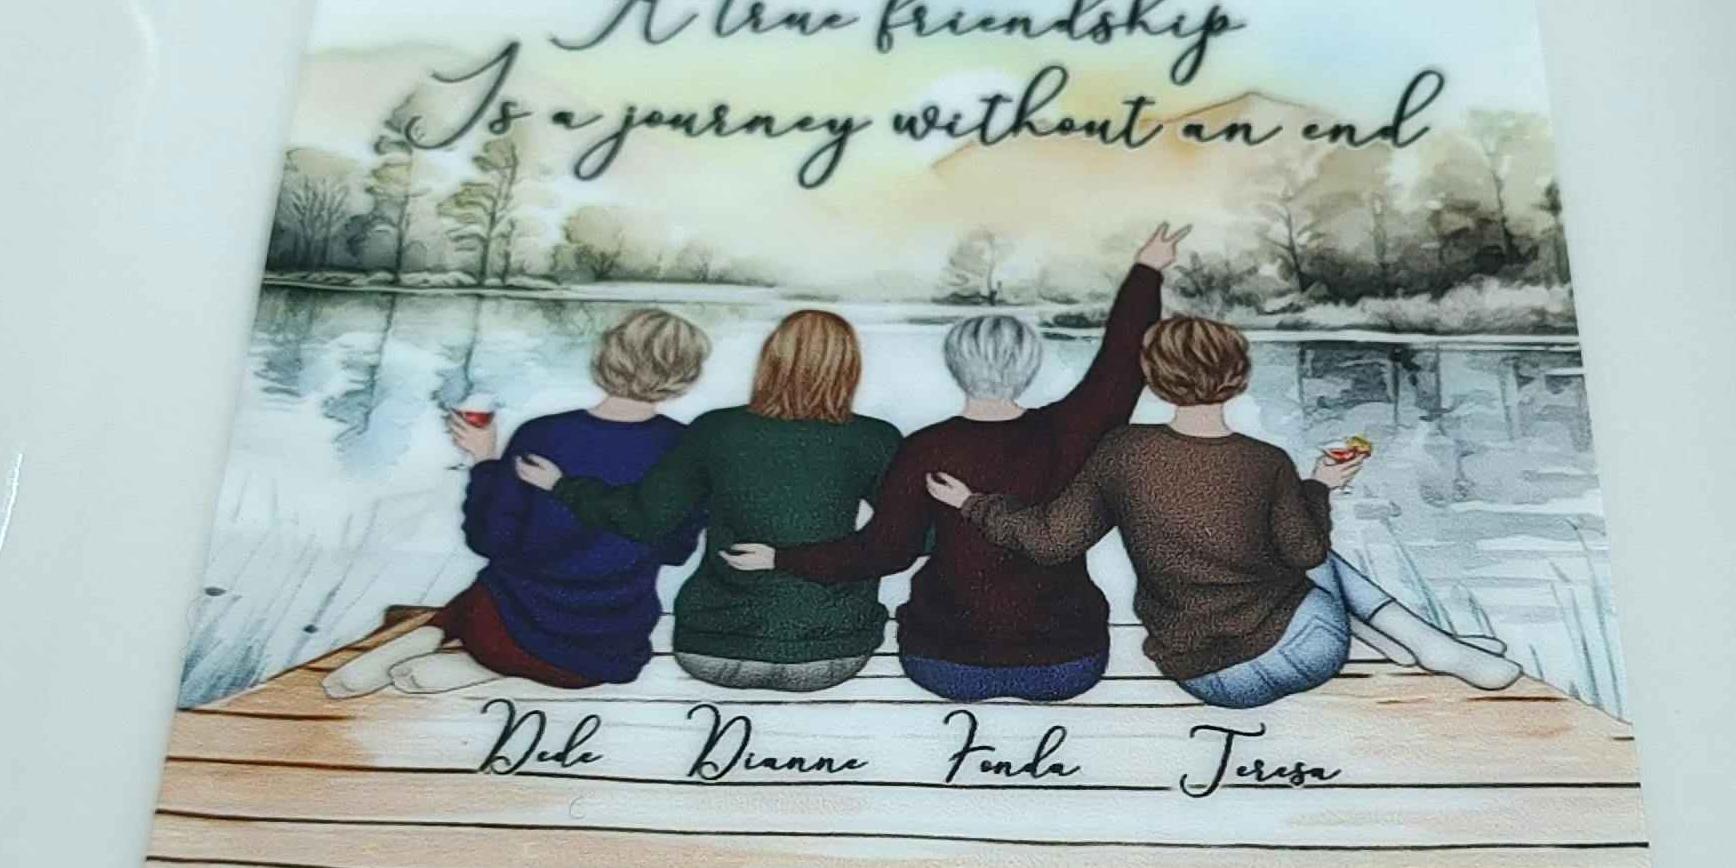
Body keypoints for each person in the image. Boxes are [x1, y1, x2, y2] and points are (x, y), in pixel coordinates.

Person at [931, 311, 1546, 707]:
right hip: (1312, 650)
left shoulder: (1121, 453)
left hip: (1209, 679)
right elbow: (1308, 553)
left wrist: (975, 504)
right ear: (1238, 377)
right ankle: (1425, 644)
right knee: (1305, 551)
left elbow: (1051, 541)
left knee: (1287, 549)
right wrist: (1318, 486)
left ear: (1155, 378)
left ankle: (1414, 644)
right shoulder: (1265, 461)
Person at [726, 226, 1184, 703]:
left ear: (954, 364)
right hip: (1065, 662)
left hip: (946, 662)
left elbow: (886, 551)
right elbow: (1121, 364)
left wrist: (782, 558)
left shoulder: (927, 448)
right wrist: (1146, 271)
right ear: (1029, 365)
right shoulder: (1068, 431)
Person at [323, 306, 712, 698]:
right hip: (603, 650)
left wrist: (484, 461)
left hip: (497, 633)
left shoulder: (543, 434)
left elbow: (490, 540)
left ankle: (431, 637)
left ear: (607, 357)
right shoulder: (691, 450)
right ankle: (479, 667)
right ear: (685, 373)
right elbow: (676, 551)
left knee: (492, 590)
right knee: (537, 600)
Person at [523, 305, 900, 692]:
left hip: (712, 650)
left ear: (770, 358)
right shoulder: (876, 439)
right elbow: (915, 538)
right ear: (850, 367)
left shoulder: (714, 429)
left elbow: (645, 518)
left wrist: (563, 487)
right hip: (831, 655)